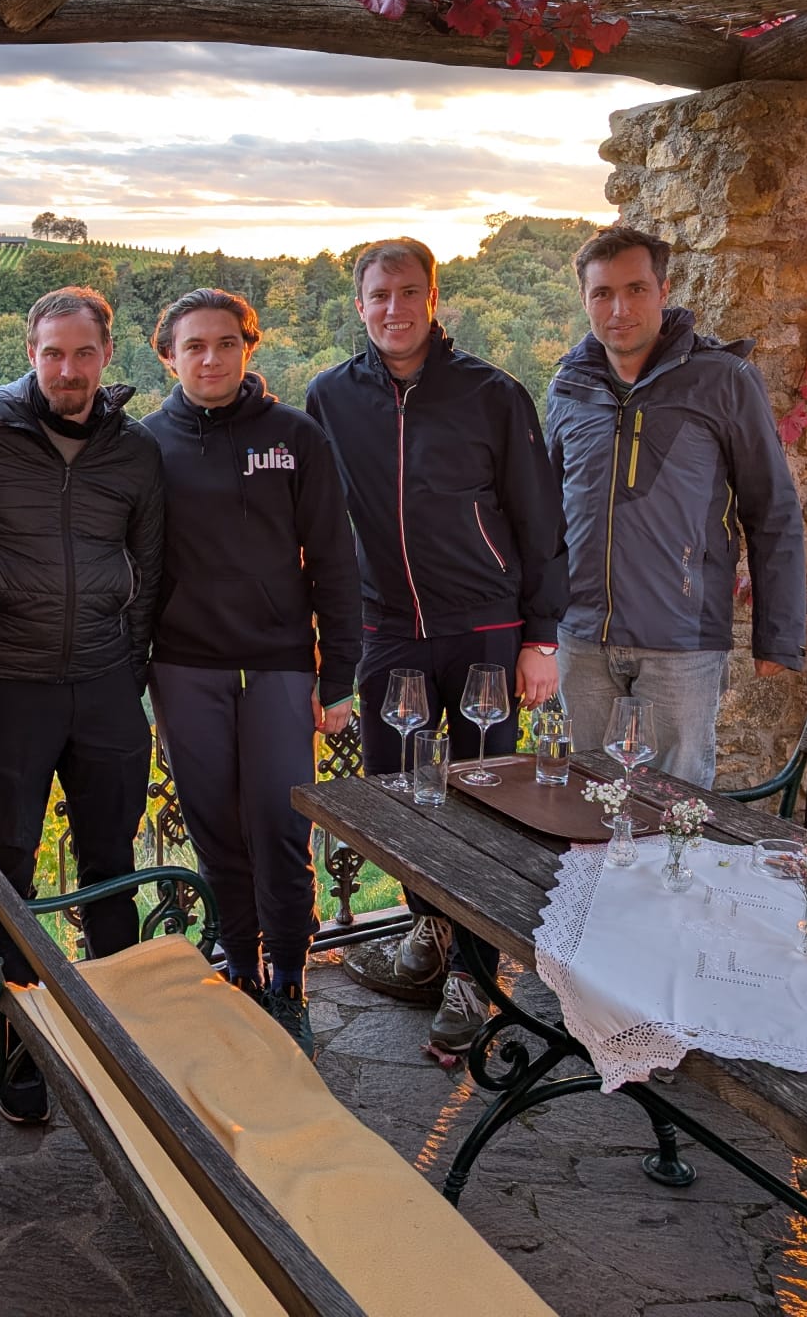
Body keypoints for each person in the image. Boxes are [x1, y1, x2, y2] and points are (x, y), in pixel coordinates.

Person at [305, 238, 567, 1055]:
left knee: (485, 801)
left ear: (433, 297)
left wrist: (542, 639)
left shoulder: (493, 394)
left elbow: (537, 518)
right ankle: (427, 942)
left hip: (487, 629)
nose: (394, 308)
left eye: (409, 292)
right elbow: (311, 522)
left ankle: (474, 976)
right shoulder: (330, 399)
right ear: (360, 305)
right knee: (405, 799)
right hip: (388, 633)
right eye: (379, 294)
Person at [0, 287, 164, 1124]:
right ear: (29, 351)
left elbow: (150, 565)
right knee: (9, 874)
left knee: (113, 863)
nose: (67, 370)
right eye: (51, 354)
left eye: (82, 354)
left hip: (108, 687)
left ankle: (115, 1033)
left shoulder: (136, 452)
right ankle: (20, 1040)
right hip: (10, 688)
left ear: (107, 357)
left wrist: (127, 665)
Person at [140, 288, 361, 1056]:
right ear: (167, 355)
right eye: (193, 345)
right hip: (184, 667)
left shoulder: (295, 437)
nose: (210, 358)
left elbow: (335, 559)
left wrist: (339, 677)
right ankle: (240, 967)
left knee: (281, 826)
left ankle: (290, 982)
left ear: (248, 349)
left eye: (225, 343)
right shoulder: (146, 445)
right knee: (216, 831)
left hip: (278, 666)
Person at [546, 225, 806, 786]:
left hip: (681, 642)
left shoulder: (724, 380)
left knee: (673, 808)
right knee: (590, 801)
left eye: (636, 289)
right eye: (603, 293)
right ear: (585, 300)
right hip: (581, 637)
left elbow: (773, 510)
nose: (620, 308)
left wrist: (778, 635)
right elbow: (545, 513)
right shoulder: (569, 384)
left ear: (664, 291)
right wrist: (541, 624)